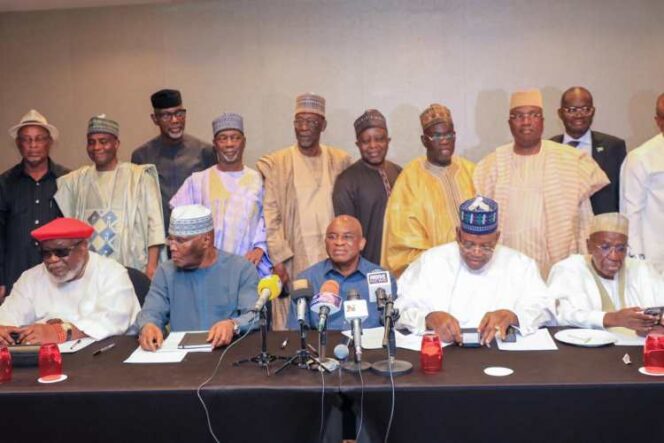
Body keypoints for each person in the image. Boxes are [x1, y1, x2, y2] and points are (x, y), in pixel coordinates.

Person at [474, 89, 609, 277]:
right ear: (509, 122)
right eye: (518, 116)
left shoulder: (571, 160)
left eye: (533, 115)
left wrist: (586, 266)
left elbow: (584, 223)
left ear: (542, 121)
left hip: (558, 270)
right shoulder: (491, 165)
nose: (526, 122)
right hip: (507, 271)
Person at [395, 196, 554, 345]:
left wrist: (514, 317)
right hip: (445, 355)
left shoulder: (521, 265)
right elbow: (398, 309)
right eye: (469, 244)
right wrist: (428, 319)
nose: (476, 253)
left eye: (486, 246)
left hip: (501, 356)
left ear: (497, 238)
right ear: (458, 235)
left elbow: (545, 309)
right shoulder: (431, 261)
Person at [257, 93, 351, 329]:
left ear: (323, 125)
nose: (304, 128)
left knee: (333, 316)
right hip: (294, 258)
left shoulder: (340, 160)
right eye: (299, 121)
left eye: (311, 122)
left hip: (334, 255)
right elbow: (271, 216)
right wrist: (278, 260)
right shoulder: (278, 162)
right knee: (295, 319)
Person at [55, 115, 165, 279]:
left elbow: (154, 226)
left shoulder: (139, 177)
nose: (97, 147)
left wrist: (152, 267)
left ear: (116, 143)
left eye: (103, 141)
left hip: (132, 266)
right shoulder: (76, 181)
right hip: (89, 271)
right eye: (91, 142)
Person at [0, 217, 140, 345]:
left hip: (106, 355)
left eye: (61, 252)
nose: (53, 259)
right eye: (46, 253)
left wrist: (58, 332)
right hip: (47, 357)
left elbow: (113, 320)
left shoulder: (112, 273)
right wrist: (4, 330)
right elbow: (8, 315)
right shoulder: (30, 278)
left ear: (84, 247)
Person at [136, 205, 259, 350]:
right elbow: (151, 311)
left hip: (227, 354)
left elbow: (255, 315)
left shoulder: (240, 269)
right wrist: (148, 326)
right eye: (170, 239)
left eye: (180, 240)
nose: (172, 247)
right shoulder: (165, 272)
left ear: (206, 240)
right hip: (179, 357)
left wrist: (233, 325)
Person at [170, 112, 271, 276]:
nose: (229, 144)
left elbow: (269, 221)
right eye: (223, 138)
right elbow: (179, 222)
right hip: (206, 270)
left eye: (235, 138)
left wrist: (260, 248)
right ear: (215, 144)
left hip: (247, 268)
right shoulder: (198, 181)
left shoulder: (259, 181)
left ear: (244, 142)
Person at [381, 103, 475, 277]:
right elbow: (403, 244)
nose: (444, 140)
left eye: (449, 134)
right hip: (434, 277)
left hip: (476, 271)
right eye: (437, 136)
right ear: (424, 140)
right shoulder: (410, 180)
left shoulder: (471, 172)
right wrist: (445, 264)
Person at [549, 213, 664, 334]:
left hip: (639, 343)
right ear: (589, 246)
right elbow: (559, 314)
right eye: (605, 247)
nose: (614, 257)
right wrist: (614, 318)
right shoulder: (569, 269)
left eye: (621, 249)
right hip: (588, 344)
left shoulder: (641, 268)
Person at [0, 110, 69, 301]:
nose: (33, 145)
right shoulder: (4, 183)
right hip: (15, 275)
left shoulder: (67, 180)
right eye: (26, 140)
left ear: (49, 142)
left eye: (39, 139)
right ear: (18, 144)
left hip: (59, 276)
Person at [287, 215, 397, 330]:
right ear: (325, 242)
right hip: (322, 341)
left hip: (372, 341)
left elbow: (393, 327)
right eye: (332, 237)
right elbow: (297, 332)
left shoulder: (383, 278)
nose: (339, 242)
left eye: (347, 237)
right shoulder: (307, 280)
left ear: (361, 243)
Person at [131, 89, 216, 231]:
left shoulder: (205, 152)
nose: (175, 120)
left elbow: (213, 198)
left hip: (195, 234)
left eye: (179, 113)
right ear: (155, 119)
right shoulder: (141, 156)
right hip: (157, 236)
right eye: (166, 115)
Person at [332, 109, 402, 265]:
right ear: (358, 144)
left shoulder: (399, 173)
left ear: (388, 141)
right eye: (365, 141)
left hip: (400, 264)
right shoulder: (347, 181)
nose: (373, 146)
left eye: (379, 139)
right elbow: (346, 234)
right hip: (366, 267)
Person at [551, 86, 626, 214]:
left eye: (586, 109)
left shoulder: (614, 147)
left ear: (593, 111)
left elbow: (624, 193)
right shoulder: (549, 147)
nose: (579, 115)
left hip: (603, 223)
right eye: (572, 110)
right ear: (560, 113)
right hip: (560, 221)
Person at [620, 92, 664, 274]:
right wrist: (636, 264)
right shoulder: (640, 158)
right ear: (658, 121)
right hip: (656, 263)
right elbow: (630, 214)